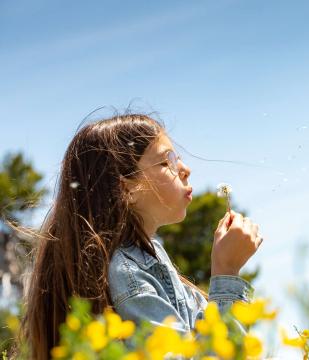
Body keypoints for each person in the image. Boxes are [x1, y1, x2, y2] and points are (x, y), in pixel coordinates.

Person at [21, 114, 263, 359]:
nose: (185, 169)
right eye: (166, 161)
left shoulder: (150, 258)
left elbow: (200, 341)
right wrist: (226, 271)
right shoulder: (127, 274)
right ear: (127, 189)